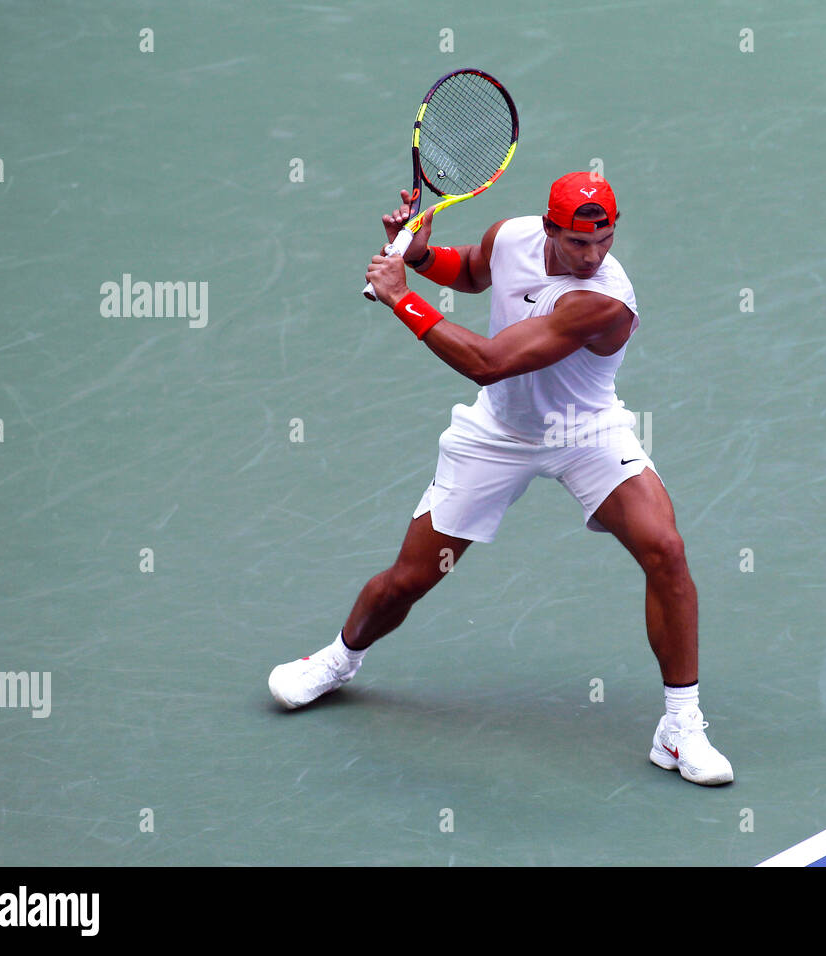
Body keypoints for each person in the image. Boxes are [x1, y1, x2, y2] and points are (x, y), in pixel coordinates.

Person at [268, 172, 732, 785]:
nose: (593, 257)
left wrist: (400, 296)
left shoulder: (604, 302)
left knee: (666, 550)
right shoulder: (511, 236)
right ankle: (338, 659)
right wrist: (420, 253)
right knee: (409, 578)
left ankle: (680, 727)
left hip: (583, 432)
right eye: (578, 243)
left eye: (605, 241)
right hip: (496, 435)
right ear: (548, 228)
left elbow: (489, 364)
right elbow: (469, 272)